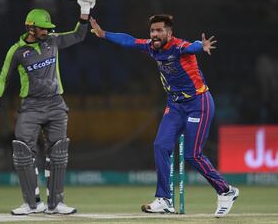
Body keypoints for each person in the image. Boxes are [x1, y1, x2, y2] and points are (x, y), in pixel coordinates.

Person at [90, 14, 239, 217]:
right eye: (152, 31)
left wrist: (201, 46)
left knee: (192, 154)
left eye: (159, 30)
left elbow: (191, 46)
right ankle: (165, 199)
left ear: (169, 32)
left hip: (198, 103)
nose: (155, 34)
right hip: (175, 104)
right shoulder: (151, 47)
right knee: (160, 145)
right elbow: (129, 41)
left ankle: (226, 190)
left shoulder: (179, 47)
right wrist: (103, 33)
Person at [0, 0, 96, 215]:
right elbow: (3, 78)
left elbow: (78, 35)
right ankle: (32, 204)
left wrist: (84, 10)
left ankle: (55, 204)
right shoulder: (17, 51)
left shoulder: (52, 41)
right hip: (30, 106)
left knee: (59, 152)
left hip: (56, 104)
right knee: (23, 152)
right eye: (43, 28)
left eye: (49, 28)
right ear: (30, 27)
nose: (48, 31)